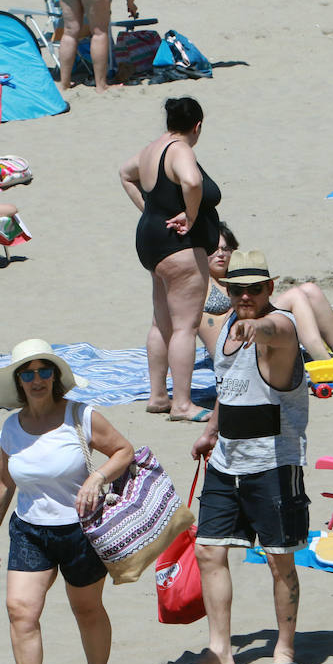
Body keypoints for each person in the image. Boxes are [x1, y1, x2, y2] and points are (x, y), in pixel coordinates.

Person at [158, 250, 310, 664]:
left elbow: (274, 329)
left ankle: (284, 647)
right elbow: (229, 384)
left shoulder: (281, 326)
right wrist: (211, 428)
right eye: (238, 288)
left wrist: (254, 325)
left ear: (269, 289)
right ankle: (220, 650)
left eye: (255, 289)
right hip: (227, 461)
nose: (246, 295)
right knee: (209, 552)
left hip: (274, 463)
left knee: (279, 559)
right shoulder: (223, 326)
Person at [0, 339, 135, 664]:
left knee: (86, 608)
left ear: (55, 376)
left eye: (43, 371)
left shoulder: (80, 416)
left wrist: (96, 477)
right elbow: (2, 480)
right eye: (27, 373)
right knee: (20, 610)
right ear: (18, 382)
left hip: (81, 531)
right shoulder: (11, 428)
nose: (36, 380)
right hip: (31, 531)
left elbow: (123, 451)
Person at [119, 96, 222, 422]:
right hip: (179, 246)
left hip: (150, 240)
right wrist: (190, 217)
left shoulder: (152, 149)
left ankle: (158, 396)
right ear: (198, 126)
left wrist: (150, 210)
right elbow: (192, 182)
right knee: (185, 327)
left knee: (160, 322)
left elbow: (125, 173)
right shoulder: (180, 149)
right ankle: (181, 403)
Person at [201, 224, 333, 366]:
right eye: (213, 249)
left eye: (225, 248)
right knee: (294, 295)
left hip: (255, 333)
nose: (220, 254)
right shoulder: (199, 280)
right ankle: (323, 360)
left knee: (310, 290)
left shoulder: (239, 279)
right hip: (228, 349)